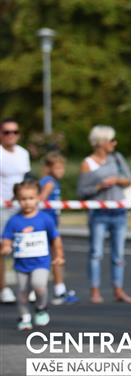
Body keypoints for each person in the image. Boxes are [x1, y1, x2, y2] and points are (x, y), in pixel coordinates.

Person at [77, 125, 131, 304]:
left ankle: (118, 289)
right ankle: (95, 290)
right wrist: (99, 186)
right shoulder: (87, 163)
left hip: (118, 211)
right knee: (96, 253)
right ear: (101, 142)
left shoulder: (117, 158)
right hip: (98, 214)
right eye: (111, 140)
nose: (114, 143)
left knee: (119, 254)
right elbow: (82, 191)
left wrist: (117, 180)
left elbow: (129, 180)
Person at [2, 178, 64, 330]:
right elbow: (7, 238)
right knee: (22, 292)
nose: (27, 202)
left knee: (39, 285)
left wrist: (59, 255)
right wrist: (6, 247)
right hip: (21, 264)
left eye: (31, 198)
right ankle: (24, 316)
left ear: (37, 198)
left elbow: (55, 238)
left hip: (41, 262)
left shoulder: (45, 219)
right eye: (23, 199)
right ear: (18, 200)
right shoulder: (14, 221)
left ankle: (41, 307)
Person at [38, 152, 78, 305]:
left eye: (63, 168)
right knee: (55, 255)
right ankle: (57, 290)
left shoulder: (51, 181)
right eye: (58, 168)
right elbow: (40, 201)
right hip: (47, 225)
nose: (61, 171)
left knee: (55, 255)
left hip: (51, 223)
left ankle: (58, 288)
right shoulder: (48, 182)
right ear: (49, 168)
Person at [0, 117, 30, 304]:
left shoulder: (23, 153)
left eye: (14, 132)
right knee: (3, 249)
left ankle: (26, 287)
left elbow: (25, 179)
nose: (11, 135)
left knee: (25, 248)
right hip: (1, 208)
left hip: (21, 207)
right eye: (7, 132)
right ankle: (3, 288)